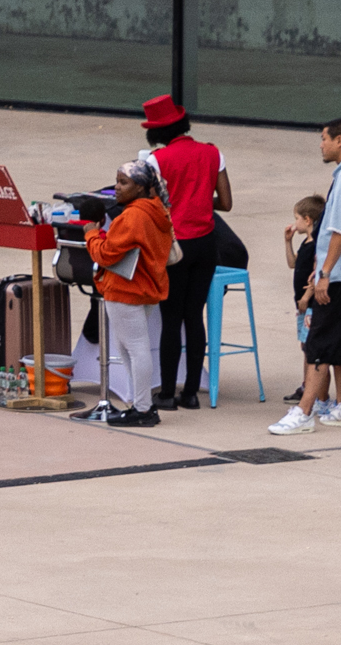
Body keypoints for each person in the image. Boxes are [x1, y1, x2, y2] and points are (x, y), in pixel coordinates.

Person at [275, 121, 341, 434]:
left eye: (324, 139)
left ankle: (304, 411)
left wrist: (324, 273)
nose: (320, 145)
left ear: (340, 140)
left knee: (319, 341)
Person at [140, 99, 237, 412]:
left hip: (174, 246)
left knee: (171, 319)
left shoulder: (157, 160)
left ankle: (167, 393)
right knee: (195, 316)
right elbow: (225, 202)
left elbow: (151, 205)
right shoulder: (212, 153)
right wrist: (197, 200)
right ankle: (192, 393)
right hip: (206, 244)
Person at [78, 156, 172, 427]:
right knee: (130, 347)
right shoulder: (156, 210)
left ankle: (143, 409)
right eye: (117, 181)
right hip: (145, 286)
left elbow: (105, 255)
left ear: (141, 187)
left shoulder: (132, 216)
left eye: (124, 182)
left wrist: (91, 234)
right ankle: (139, 405)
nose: (116, 187)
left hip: (125, 288)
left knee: (135, 348)